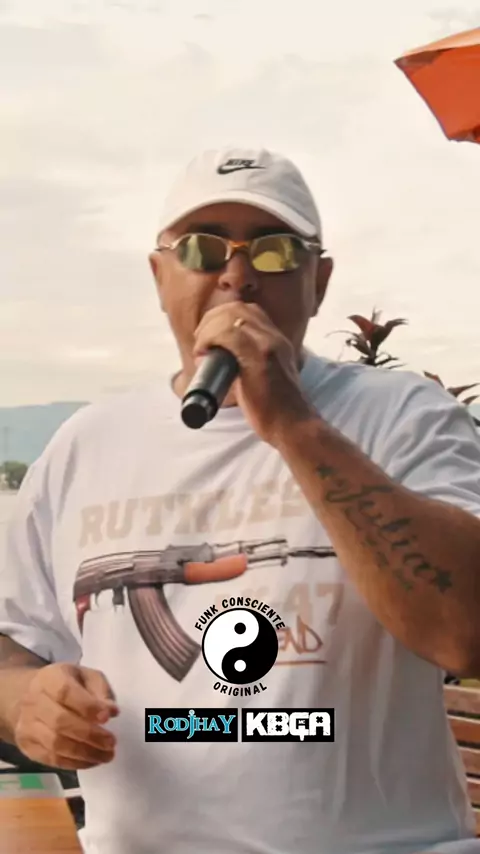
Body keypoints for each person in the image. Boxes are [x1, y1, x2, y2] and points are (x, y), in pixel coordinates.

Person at [0, 146, 480, 854]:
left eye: (275, 249)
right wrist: (27, 704)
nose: (237, 275)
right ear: (160, 277)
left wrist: (293, 424)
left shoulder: (405, 416)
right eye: (201, 248)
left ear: (319, 282)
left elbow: (463, 631)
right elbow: (13, 647)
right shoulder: (85, 444)